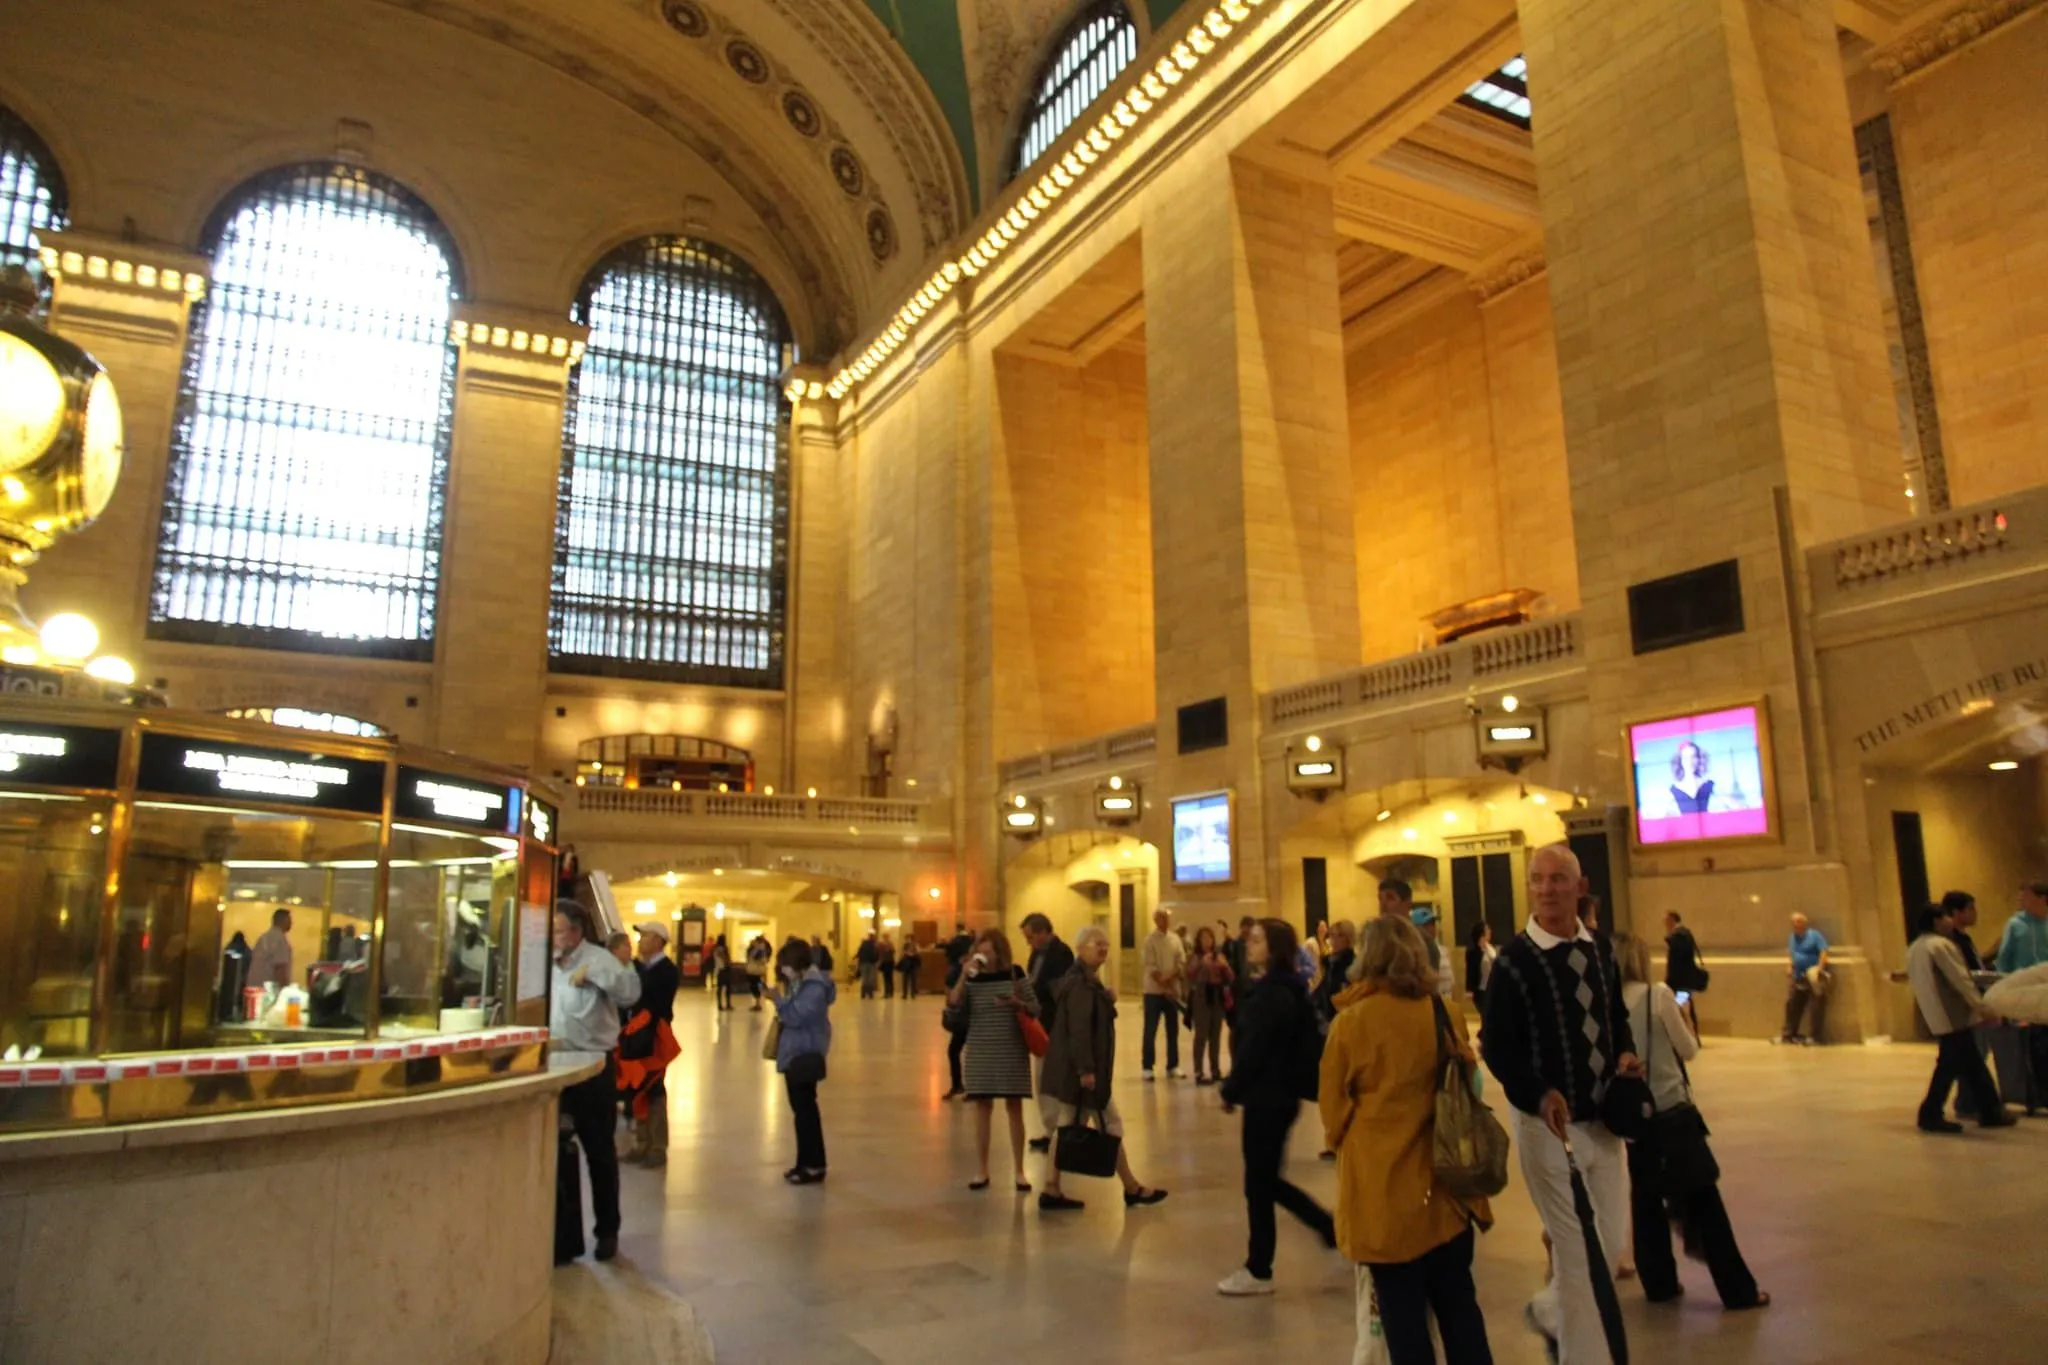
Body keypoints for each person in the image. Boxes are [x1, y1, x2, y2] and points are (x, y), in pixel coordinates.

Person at [1482, 845, 1642, 1364]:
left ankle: (1552, 1310)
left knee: (1611, 1240)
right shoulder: (1514, 962)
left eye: (1558, 879)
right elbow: (1497, 1046)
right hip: (1547, 1129)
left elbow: (1615, 1014)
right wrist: (1538, 1092)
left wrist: (1625, 1054)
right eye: (1538, 880)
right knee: (1577, 1257)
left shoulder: (1598, 947)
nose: (1547, 889)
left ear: (1580, 885)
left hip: (1604, 1123)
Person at [1322, 916, 1494, 1365]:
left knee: (1403, 1320)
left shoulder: (1351, 1024)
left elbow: (1333, 1115)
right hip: (1448, 1190)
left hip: (1384, 1196)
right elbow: (1472, 1085)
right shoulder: (1444, 1012)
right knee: (1460, 1308)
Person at [1613, 932, 1767, 1311]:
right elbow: (1689, 1050)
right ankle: (1737, 1290)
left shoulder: (1608, 1003)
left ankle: (1659, 1283)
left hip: (1636, 1117)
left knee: (1646, 1202)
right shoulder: (1658, 996)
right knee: (1705, 1200)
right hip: (1672, 1112)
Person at [1217, 918, 1336, 1296]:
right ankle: (1326, 1228)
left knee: (1260, 1184)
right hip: (1279, 1096)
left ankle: (1260, 1268)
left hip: (1267, 1098)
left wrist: (1231, 1089)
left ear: (1274, 947)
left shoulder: (1272, 994)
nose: (1249, 944)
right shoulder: (1289, 988)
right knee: (1265, 1181)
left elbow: (1256, 1048)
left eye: (1256, 939)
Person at [1038, 924, 1169, 1212]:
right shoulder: (1081, 985)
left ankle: (1053, 1186)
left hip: (1084, 1073)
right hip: (1084, 1074)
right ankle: (1131, 1188)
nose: (1104, 949)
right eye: (1097, 944)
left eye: (1106, 945)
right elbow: (1080, 1030)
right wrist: (1086, 1070)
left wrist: (1105, 999)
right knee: (1107, 1124)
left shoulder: (1086, 983)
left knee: (1075, 1125)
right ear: (1080, 948)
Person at [551, 900, 642, 1262]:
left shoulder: (600, 960)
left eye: (558, 930)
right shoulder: (546, 962)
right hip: (555, 1065)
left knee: (599, 1153)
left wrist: (595, 975)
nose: (553, 937)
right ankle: (563, 1235)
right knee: (557, 1154)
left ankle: (607, 1231)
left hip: (593, 1068)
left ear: (576, 932)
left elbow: (631, 993)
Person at [1909, 901, 2014, 1133]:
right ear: (1937, 920)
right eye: (1946, 916)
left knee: (1971, 1062)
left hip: (1936, 1014)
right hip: (1952, 1014)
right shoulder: (1941, 946)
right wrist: (1982, 1006)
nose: (1950, 921)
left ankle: (1989, 1109)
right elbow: (1960, 980)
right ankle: (1930, 1113)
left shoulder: (1916, 947)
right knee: (1949, 1065)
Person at [950, 929, 1041, 1191]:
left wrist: (1016, 1003)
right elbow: (954, 1002)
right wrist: (962, 976)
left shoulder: (1015, 973)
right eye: (981, 952)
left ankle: (1020, 1171)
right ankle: (981, 1170)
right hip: (980, 1048)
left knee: (1014, 1109)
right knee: (982, 1109)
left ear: (999, 952)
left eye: (989, 952)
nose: (985, 957)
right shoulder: (972, 978)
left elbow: (1035, 1007)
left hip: (1010, 1048)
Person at [770, 936, 836, 1184]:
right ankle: (804, 1161)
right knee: (802, 1111)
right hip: (795, 1051)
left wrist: (777, 1000)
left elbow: (797, 1016)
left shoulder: (813, 987)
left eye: (785, 964)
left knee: (806, 1111)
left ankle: (813, 1164)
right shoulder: (800, 984)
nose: (784, 969)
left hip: (804, 1052)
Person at [618, 921, 681, 1167]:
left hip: (653, 1037)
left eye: (645, 936)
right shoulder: (638, 968)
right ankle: (641, 1142)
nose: (640, 941)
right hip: (635, 1036)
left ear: (658, 941)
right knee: (635, 1087)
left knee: (653, 1089)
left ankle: (657, 1147)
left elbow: (649, 998)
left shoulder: (666, 970)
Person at [1021, 913, 1076, 1152]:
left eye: (1031, 936)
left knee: (1056, 1078)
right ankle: (1048, 1127)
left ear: (1044, 932)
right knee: (1042, 1078)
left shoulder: (1061, 954)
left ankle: (1061, 1129)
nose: (1028, 942)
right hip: (1040, 1023)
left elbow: (1058, 989)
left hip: (1055, 1023)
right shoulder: (1036, 954)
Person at [1140, 909, 1187, 1080]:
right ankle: (1147, 1066)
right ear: (1155, 920)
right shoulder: (1149, 941)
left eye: (1166, 917)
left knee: (1173, 1030)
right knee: (1150, 1030)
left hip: (1171, 993)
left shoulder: (1175, 939)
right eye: (1160, 917)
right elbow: (1151, 967)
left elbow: (1181, 961)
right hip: (1153, 992)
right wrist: (1165, 985)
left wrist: (1172, 979)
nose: (1164, 920)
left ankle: (1173, 1065)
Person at [1188, 925, 1236, 1086]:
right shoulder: (1195, 956)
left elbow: (1231, 977)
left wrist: (1225, 966)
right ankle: (1198, 1071)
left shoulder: (1219, 955)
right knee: (1201, 1035)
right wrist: (1202, 963)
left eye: (1209, 938)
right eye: (1203, 938)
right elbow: (1189, 975)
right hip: (1202, 997)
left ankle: (1215, 1070)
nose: (1207, 941)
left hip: (1217, 996)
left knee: (1215, 1035)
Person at [1777, 913, 1829, 1045]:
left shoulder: (1814, 935)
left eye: (1799, 922)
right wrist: (1789, 966)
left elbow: (1823, 951)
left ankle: (1815, 1036)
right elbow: (1792, 953)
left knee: (1816, 1007)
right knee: (1792, 1004)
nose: (1796, 925)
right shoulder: (1792, 938)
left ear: (1805, 923)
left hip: (1812, 975)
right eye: (1794, 923)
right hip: (1798, 975)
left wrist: (1819, 968)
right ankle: (1789, 1034)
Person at [1662, 912, 1708, 1037]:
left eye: (1666, 921)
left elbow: (1678, 958)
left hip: (1681, 982)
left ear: (1672, 920)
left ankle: (1690, 1035)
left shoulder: (1680, 935)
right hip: (1683, 981)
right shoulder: (1683, 934)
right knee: (1685, 1007)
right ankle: (1691, 1035)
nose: (1665, 924)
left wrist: (1669, 938)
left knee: (1682, 1008)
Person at [1412, 908, 1454, 998]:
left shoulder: (1443, 950)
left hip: (1446, 1001)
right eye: (1427, 925)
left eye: (1433, 924)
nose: (1432, 928)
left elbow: (1450, 979)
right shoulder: (1414, 952)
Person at [249, 908, 294, 989]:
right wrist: (283, 990)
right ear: (283, 921)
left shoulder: (264, 937)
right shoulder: (280, 940)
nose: (291, 923)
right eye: (289, 920)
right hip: (268, 990)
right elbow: (280, 968)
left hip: (255, 987)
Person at [1941, 891, 1983, 971]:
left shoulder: (1965, 938)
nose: (1975, 912)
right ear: (1956, 912)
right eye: (1970, 908)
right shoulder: (1952, 941)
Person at [1466, 921, 1497, 1016]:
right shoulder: (1473, 951)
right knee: (1486, 1014)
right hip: (1481, 989)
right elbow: (1470, 971)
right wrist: (1469, 989)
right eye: (1487, 929)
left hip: (1492, 987)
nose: (1490, 931)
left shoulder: (1490, 948)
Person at [746, 934, 771, 1011]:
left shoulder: (759, 950)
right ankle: (757, 1002)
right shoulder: (761, 949)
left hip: (755, 970)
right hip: (755, 969)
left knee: (754, 986)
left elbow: (756, 958)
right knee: (754, 985)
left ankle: (758, 1003)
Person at [711, 933, 733, 1011]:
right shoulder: (723, 949)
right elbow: (725, 958)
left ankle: (719, 1004)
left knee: (720, 988)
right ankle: (728, 1004)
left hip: (718, 969)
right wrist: (729, 963)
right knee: (728, 987)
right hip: (724, 969)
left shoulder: (715, 948)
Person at [856, 933, 879, 999]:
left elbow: (859, 953)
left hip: (864, 963)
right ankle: (869, 993)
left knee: (865, 978)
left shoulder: (864, 944)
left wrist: (859, 962)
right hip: (871, 963)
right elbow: (876, 954)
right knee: (870, 979)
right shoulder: (874, 945)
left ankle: (863, 994)